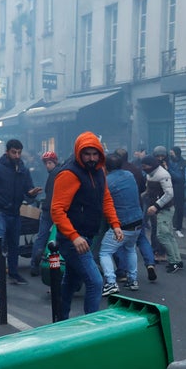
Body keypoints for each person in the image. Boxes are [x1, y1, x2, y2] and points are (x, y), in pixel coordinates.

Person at [50, 132, 123, 321]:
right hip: (72, 239)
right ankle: (90, 327)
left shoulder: (99, 171)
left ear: (100, 154)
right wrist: (74, 236)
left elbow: (105, 198)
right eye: (87, 154)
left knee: (71, 281)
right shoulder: (69, 174)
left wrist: (115, 224)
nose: (91, 158)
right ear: (79, 153)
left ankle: (61, 320)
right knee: (95, 281)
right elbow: (57, 210)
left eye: (94, 154)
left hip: (86, 236)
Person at [0, 139, 41, 285]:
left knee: (13, 245)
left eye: (19, 152)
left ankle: (13, 273)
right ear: (7, 152)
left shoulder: (23, 170)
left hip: (14, 212)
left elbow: (28, 190)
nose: (17, 155)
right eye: (14, 152)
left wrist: (32, 193)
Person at [98, 153, 144, 296]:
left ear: (105, 167)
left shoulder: (107, 182)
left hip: (121, 224)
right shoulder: (129, 175)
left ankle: (111, 283)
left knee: (105, 252)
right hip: (138, 221)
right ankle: (133, 280)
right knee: (130, 249)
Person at [141, 154, 182, 273]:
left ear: (151, 165)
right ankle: (176, 260)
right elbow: (149, 190)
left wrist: (156, 205)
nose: (144, 168)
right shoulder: (151, 174)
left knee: (163, 236)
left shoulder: (162, 174)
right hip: (161, 209)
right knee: (169, 235)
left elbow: (169, 193)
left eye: (145, 165)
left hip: (164, 210)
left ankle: (173, 262)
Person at [30, 151, 60, 270]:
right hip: (54, 209)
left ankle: (34, 264)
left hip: (50, 210)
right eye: (46, 163)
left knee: (41, 237)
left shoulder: (54, 174)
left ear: (55, 162)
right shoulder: (57, 173)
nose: (47, 165)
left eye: (49, 163)